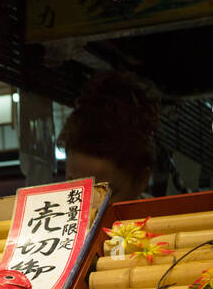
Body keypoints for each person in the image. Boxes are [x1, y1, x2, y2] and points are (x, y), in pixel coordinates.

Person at [58, 69, 160, 201]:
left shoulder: (166, 220)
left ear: (141, 180)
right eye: (76, 190)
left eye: (103, 195)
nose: (88, 207)